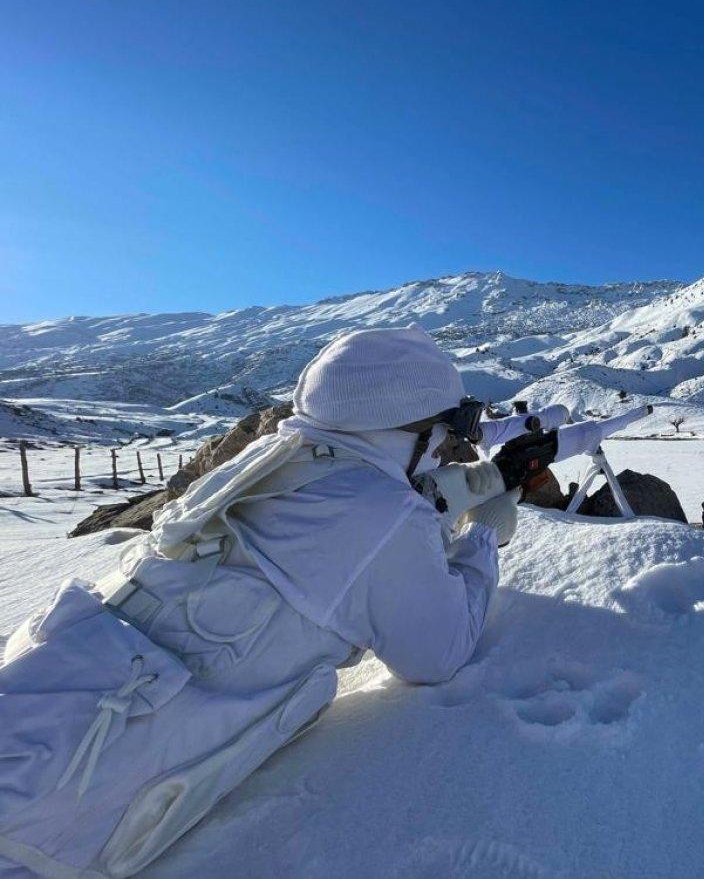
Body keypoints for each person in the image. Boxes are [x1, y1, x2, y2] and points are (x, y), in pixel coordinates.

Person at [0, 328, 519, 878]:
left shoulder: (272, 457)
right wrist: (481, 538)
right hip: (44, 831)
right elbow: (436, 655)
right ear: (406, 428)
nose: (445, 448)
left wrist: (432, 508)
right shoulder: (385, 515)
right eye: (445, 431)